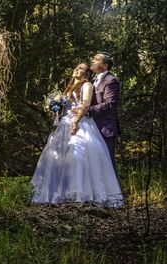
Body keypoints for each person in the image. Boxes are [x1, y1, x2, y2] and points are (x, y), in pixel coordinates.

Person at [31, 62, 123, 207]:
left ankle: (78, 192)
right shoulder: (71, 85)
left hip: (80, 123)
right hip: (65, 123)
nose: (76, 69)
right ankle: (57, 191)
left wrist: (75, 123)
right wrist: (56, 107)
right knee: (58, 156)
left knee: (77, 155)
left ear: (86, 74)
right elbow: (66, 106)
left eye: (80, 68)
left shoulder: (86, 85)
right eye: (76, 67)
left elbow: (86, 105)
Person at [88, 52, 121, 169]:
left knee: (107, 166)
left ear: (105, 65)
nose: (92, 61)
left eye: (96, 59)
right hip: (92, 128)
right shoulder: (93, 80)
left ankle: (114, 188)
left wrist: (88, 110)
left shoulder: (111, 80)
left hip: (106, 129)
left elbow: (109, 103)